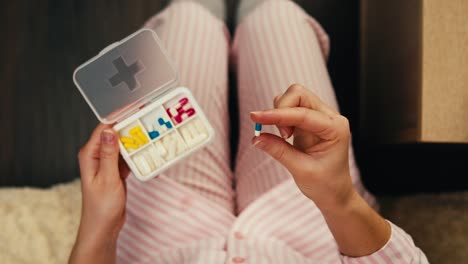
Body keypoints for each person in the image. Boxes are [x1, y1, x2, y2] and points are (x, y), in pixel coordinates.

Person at [69, 0, 429, 263]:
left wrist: (99, 227)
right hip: (314, 227)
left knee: (188, 18)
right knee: (277, 16)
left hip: (164, 235)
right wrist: (339, 198)